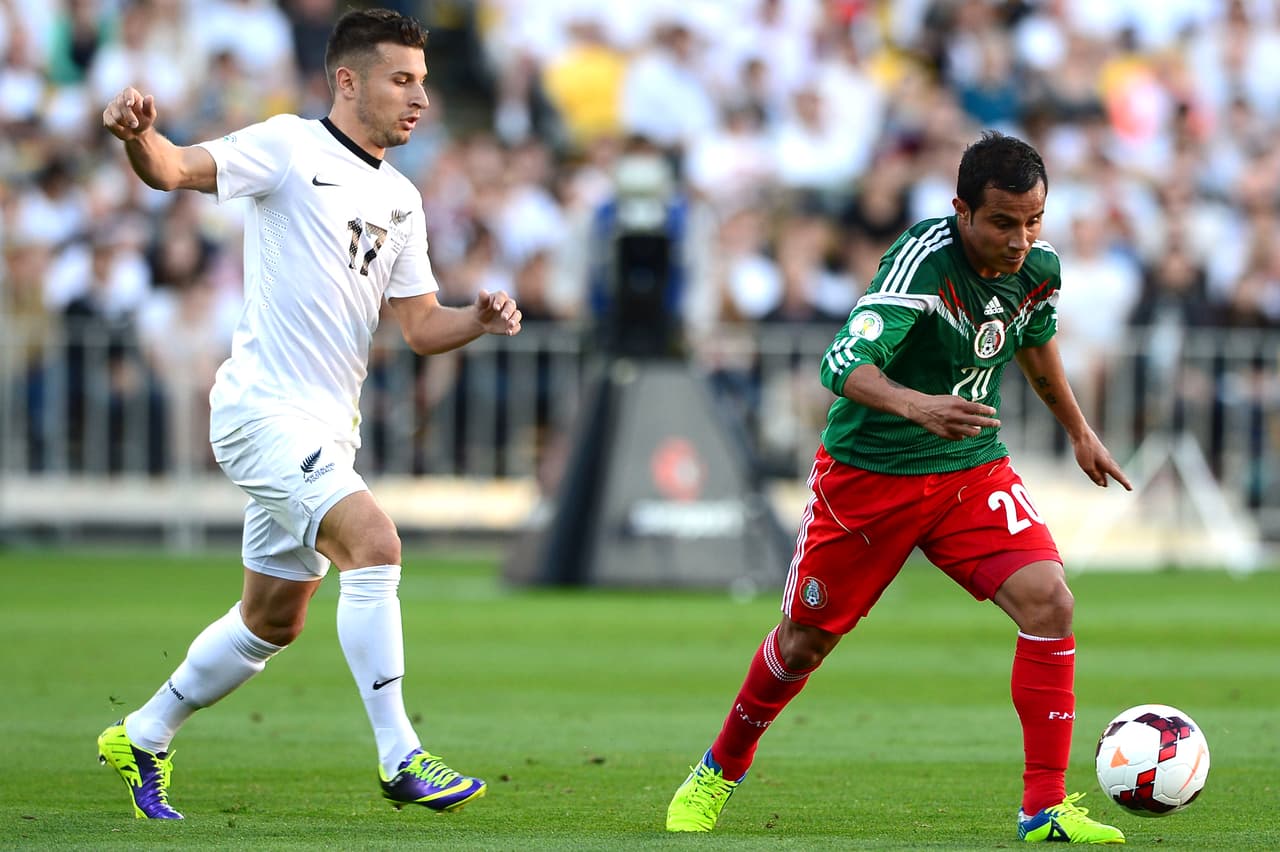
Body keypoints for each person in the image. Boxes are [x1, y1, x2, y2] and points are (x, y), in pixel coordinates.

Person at [97, 8, 521, 820]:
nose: (420, 99)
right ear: (348, 81)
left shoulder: (401, 197)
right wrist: (137, 136)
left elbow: (419, 326)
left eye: (424, 83)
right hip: (262, 413)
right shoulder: (288, 146)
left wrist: (476, 317)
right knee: (375, 543)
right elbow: (174, 169)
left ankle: (142, 734)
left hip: (326, 429)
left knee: (270, 622)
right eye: (402, 80)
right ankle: (400, 755)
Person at [665, 131, 1133, 844]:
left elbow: (1036, 341)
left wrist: (1079, 430)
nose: (1020, 240)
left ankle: (1044, 808)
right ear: (962, 211)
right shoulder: (921, 261)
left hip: (969, 469)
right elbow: (840, 361)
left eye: (1033, 221)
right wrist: (920, 406)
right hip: (870, 477)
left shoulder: (1039, 268)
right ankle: (718, 769)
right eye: (1003, 222)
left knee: (1050, 600)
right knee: (802, 644)